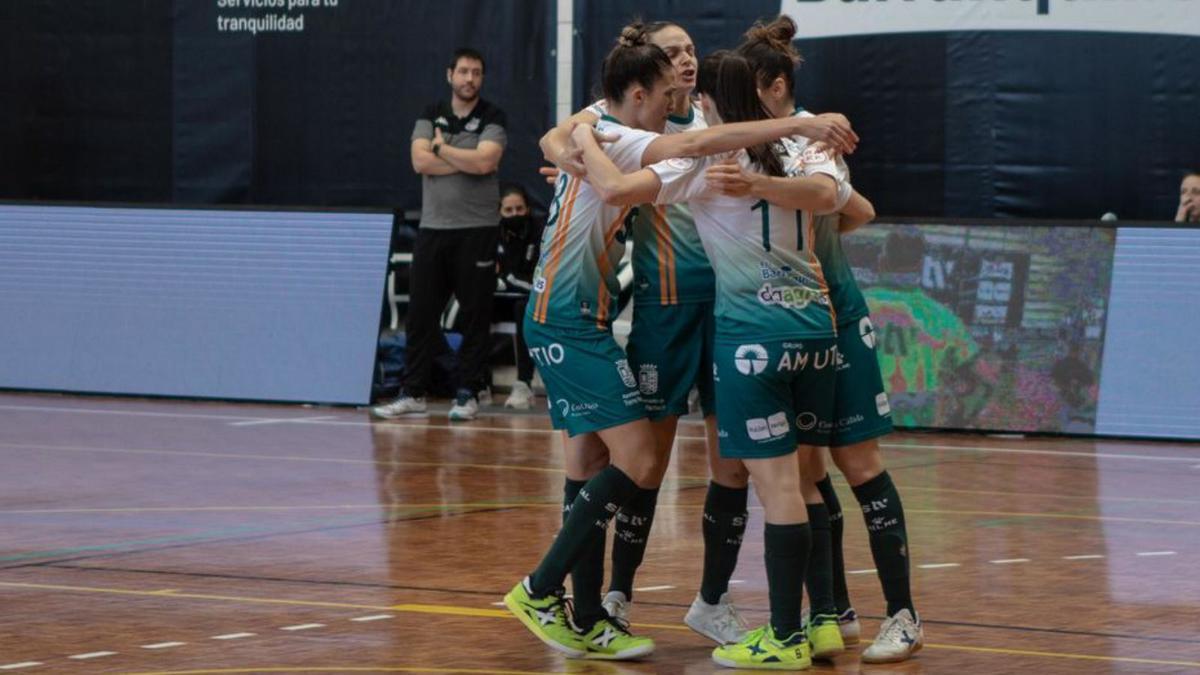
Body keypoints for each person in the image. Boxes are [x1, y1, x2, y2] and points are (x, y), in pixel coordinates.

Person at [503, 26, 855, 663]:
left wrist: (574, 137)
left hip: (662, 316)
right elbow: (838, 200)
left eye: (691, 55)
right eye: (670, 68)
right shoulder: (637, 135)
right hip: (599, 318)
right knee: (642, 460)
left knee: (613, 461)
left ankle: (590, 611)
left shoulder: (644, 141)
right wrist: (795, 128)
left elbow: (636, 153)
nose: (682, 75)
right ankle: (571, 597)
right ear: (642, 89)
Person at [711, 16, 925, 663]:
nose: (743, 107)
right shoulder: (744, 142)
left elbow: (846, 204)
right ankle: (831, 610)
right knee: (802, 471)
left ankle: (904, 614)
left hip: (833, 319)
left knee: (857, 463)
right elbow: (855, 209)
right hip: (790, 327)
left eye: (752, 93)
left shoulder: (811, 137)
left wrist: (781, 201)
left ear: (774, 89)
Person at [371, 47, 506, 422]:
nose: (469, 79)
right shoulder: (430, 114)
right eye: (463, 71)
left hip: (477, 228)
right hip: (434, 228)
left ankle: (467, 392)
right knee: (420, 314)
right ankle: (413, 391)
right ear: (450, 75)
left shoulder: (493, 116)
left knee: (475, 315)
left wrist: (443, 148)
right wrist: (462, 160)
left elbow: (485, 162)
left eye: (476, 73)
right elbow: (419, 161)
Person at [496, 185, 543, 409]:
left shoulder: (539, 230)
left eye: (519, 209)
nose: (515, 214)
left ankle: (523, 383)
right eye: (509, 210)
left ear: (527, 209)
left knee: (524, 309)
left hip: (533, 296)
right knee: (473, 305)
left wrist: (509, 278)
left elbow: (534, 275)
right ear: (499, 212)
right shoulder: (493, 232)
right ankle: (475, 386)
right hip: (501, 295)